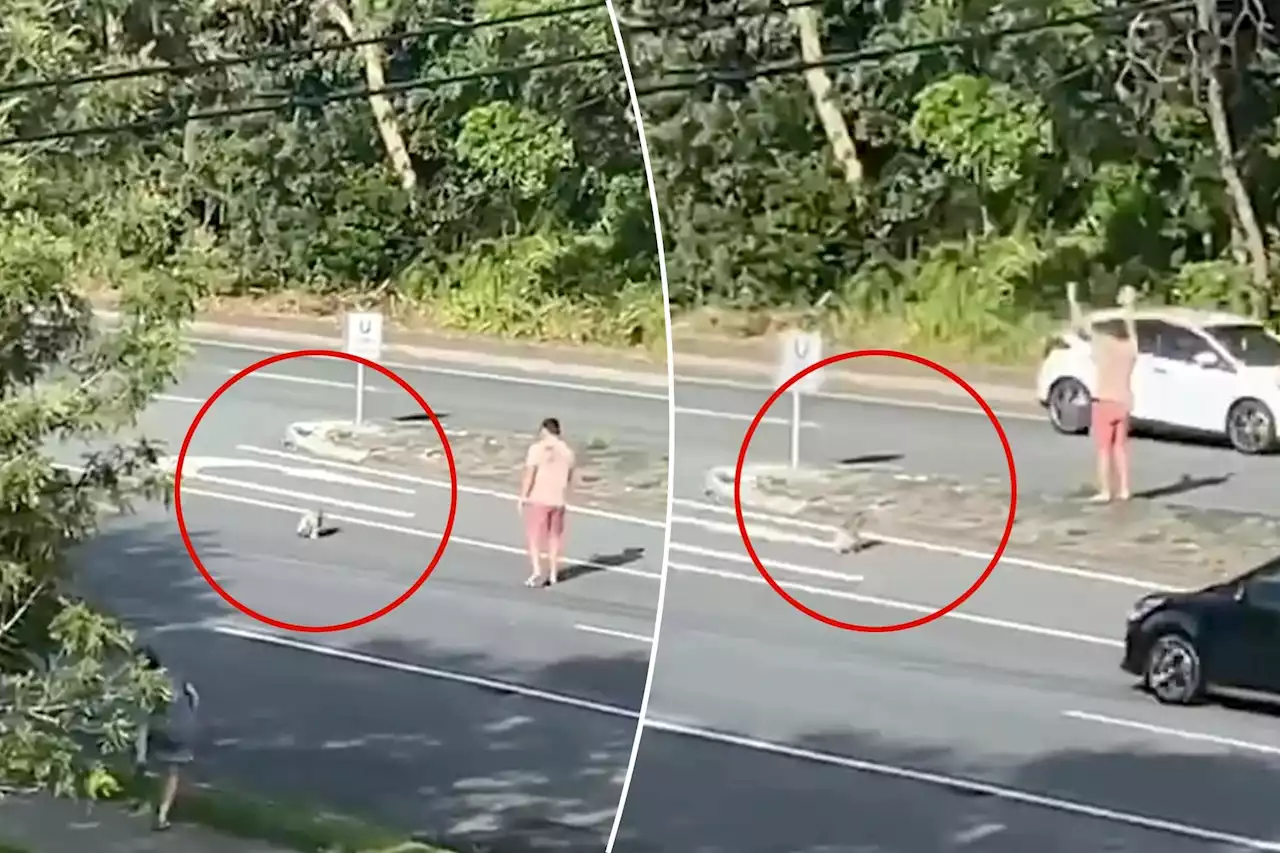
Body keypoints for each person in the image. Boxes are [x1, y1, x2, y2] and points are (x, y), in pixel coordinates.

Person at [1068, 281, 1139, 502]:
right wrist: (1129, 307)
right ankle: (1125, 489)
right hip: (1124, 403)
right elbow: (1132, 328)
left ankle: (1106, 491)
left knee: (1103, 450)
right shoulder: (1130, 348)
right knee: (1120, 449)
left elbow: (1080, 326)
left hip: (1105, 402)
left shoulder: (1103, 345)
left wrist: (1073, 300)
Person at [134, 647, 201, 831]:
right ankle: (162, 814)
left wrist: (141, 755)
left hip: (164, 732)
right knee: (172, 772)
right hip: (183, 729)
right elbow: (194, 696)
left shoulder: (146, 688)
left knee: (151, 766)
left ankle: (147, 801)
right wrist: (188, 717)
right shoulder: (175, 675)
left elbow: (143, 721)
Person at [518, 417, 576, 587]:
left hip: (539, 498)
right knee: (554, 537)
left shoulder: (537, 449)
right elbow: (569, 477)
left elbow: (530, 475)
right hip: (558, 500)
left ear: (544, 430)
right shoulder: (568, 452)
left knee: (535, 537)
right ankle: (553, 572)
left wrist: (523, 496)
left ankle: (537, 570)